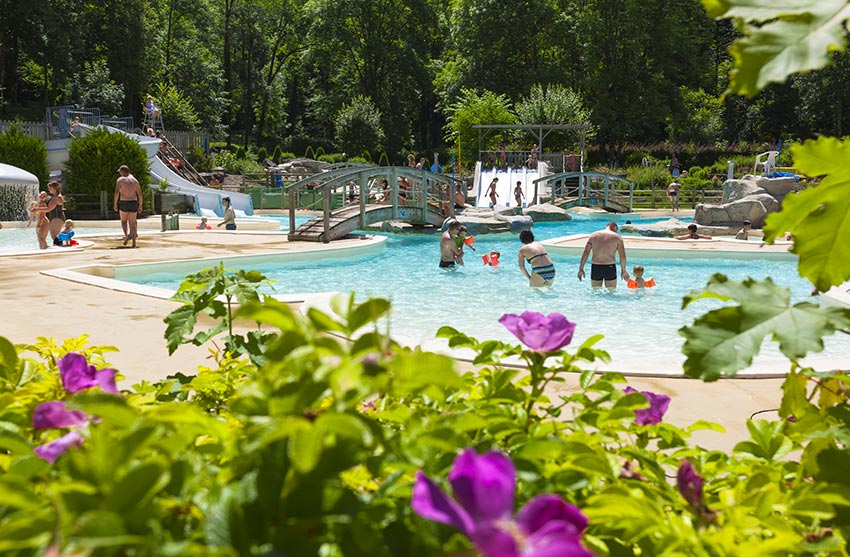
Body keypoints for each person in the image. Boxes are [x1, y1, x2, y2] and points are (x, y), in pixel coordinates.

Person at [577, 221, 629, 288]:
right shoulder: (617, 237)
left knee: (595, 292)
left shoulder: (593, 236)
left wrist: (581, 269)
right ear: (615, 228)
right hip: (610, 266)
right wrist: (623, 270)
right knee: (611, 292)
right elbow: (622, 256)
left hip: (596, 267)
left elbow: (586, 252)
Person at [113, 165, 143, 247]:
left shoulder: (120, 180)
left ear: (122, 171)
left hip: (124, 201)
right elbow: (140, 194)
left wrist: (115, 204)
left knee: (124, 221)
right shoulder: (135, 181)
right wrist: (140, 205)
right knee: (133, 223)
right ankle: (134, 243)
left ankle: (126, 236)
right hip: (133, 202)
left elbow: (116, 192)